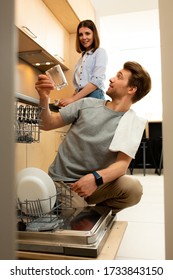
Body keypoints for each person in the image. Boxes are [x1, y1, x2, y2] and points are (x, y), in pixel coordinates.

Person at [35, 61, 151, 215]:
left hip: (96, 183)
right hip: (64, 181)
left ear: (131, 89)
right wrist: (44, 97)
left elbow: (122, 165)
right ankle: (80, 209)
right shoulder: (86, 104)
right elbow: (46, 124)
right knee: (73, 217)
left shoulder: (133, 122)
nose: (111, 79)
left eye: (119, 77)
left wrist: (96, 179)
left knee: (133, 189)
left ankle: (94, 213)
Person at [58, 19, 108, 107]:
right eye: (80, 34)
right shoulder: (81, 59)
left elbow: (96, 81)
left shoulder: (100, 52)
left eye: (87, 33)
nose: (84, 37)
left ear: (94, 34)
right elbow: (80, 87)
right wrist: (68, 101)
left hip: (94, 95)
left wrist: (73, 99)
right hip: (82, 97)